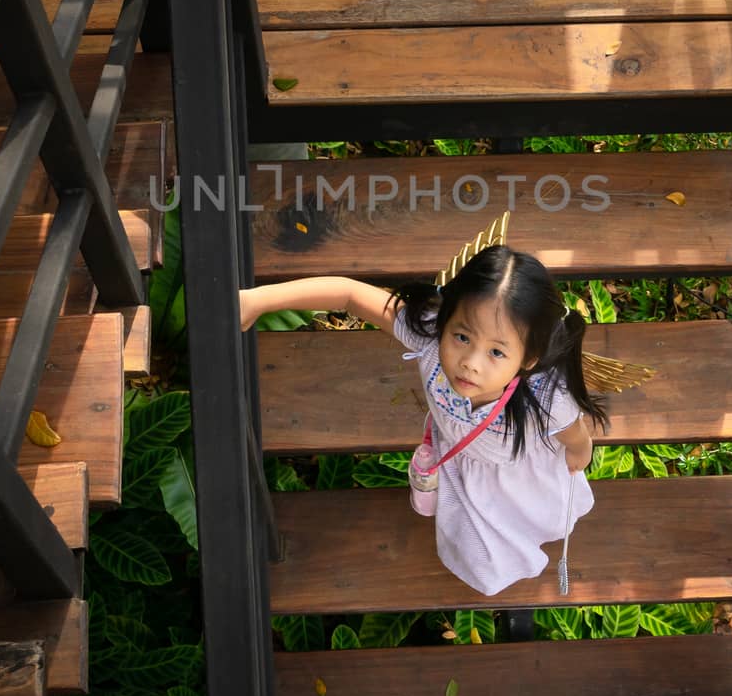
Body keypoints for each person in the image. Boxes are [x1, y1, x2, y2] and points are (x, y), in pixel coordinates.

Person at [239, 234, 608, 599]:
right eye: (462, 337)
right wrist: (255, 301)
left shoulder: (546, 396)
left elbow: (571, 431)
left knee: (528, 516)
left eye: (497, 352)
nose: (470, 363)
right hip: (456, 453)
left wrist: (580, 450)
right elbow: (348, 294)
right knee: (479, 548)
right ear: (445, 320)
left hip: (510, 469)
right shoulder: (428, 333)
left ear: (528, 360)